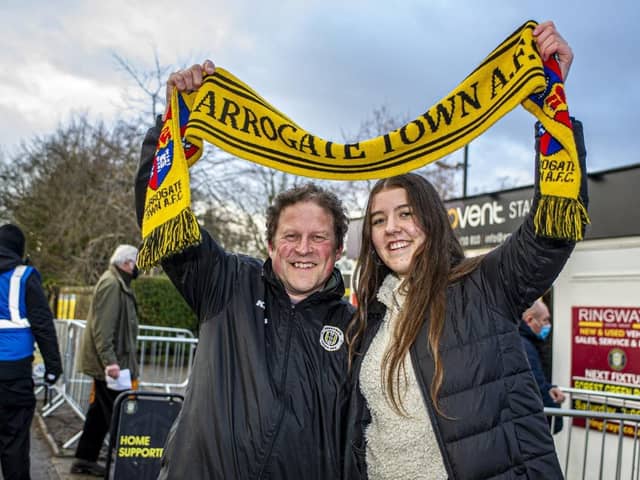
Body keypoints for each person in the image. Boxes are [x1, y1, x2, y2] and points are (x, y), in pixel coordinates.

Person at [345, 21, 585, 479]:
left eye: (406, 213)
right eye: (379, 219)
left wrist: (553, 116)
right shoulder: (368, 317)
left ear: (432, 223)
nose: (392, 227)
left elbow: (550, 231)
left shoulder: (483, 286)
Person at [134, 64, 355, 479]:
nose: (303, 249)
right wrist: (174, 123)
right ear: (270, 245)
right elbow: (159, 215)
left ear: (339, 249)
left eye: (319, 237)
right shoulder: (226, 282)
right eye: (290, 236)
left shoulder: (356, 329)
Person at [71, 244, 140, 477]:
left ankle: (84, 459)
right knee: (117, 413)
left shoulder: (116, 283)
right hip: (112, 366)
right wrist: (110, 362)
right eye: (136, 262)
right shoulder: (112, 284)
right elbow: (103, 328)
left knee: (99, 415)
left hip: (112, 363)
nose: (138, 267)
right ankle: (129, 464)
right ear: (127, 263)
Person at [0, 223, 62, 480]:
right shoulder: (25, 276)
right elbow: (43, 325)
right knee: (14, 444)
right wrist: (53, 367)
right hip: (14, 374)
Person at [520, 299, 565, 434]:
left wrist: (549, 388)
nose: (548, 325)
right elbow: (536, 387)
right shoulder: (526, 348)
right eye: (545, 320)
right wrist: (555, 420)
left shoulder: (522, 342)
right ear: (529, 320)